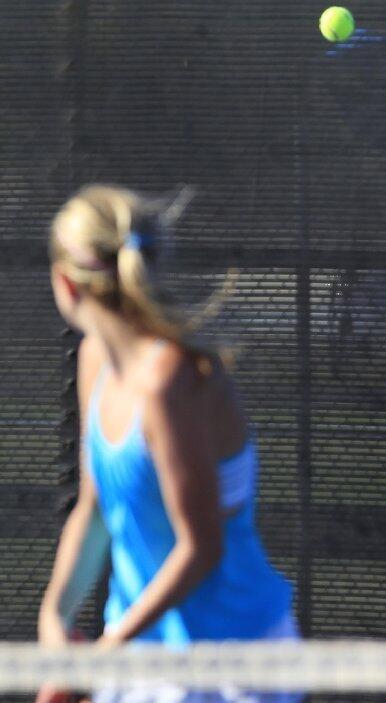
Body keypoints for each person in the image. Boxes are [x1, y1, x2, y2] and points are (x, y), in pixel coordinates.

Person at [37, 185, 298, 703]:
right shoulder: (94, 361)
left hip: (231, 661)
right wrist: (54, 624)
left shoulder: (169, 384)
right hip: (138, 655)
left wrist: (108, 650)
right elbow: (94, 510)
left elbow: (199, 548)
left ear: (66, 284)